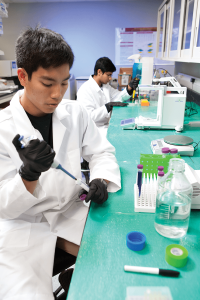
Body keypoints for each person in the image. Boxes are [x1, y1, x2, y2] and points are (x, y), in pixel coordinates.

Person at [0, 27, 121, 300]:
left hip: (71, 211)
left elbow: (101, 152)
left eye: (64, 82)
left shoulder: (75, 112)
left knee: (116, 265)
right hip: (22, 227)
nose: (58, 94)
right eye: (47, 83)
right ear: (23, 77)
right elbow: (3, 206)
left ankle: (70, 275)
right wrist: (28, 175)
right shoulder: (2, 128)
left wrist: (100, 178)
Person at [77, 57, 139, 135]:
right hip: (93, 130)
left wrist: (129, 88)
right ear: (99, 72)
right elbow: (89, 116)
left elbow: (118, 96)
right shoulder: (85, 90)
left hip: (105, 126)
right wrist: (107, 107)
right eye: (108, 75)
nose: (110, 78)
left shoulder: (105, 86)